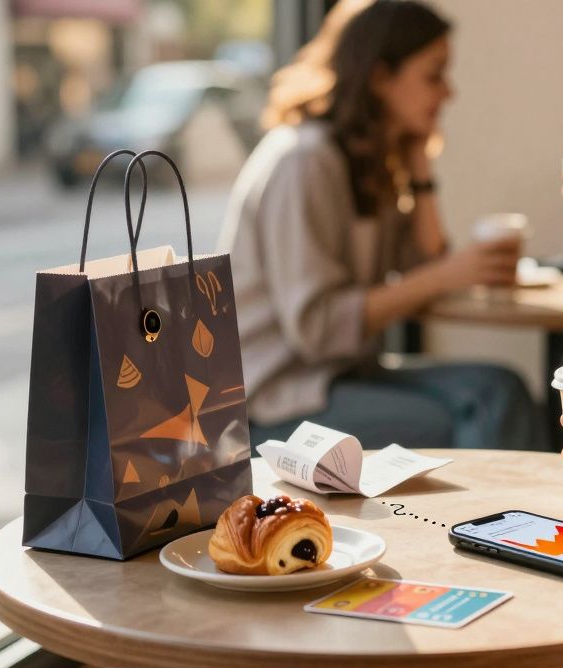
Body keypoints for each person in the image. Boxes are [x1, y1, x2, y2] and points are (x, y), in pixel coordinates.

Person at [218, 0, 543, 452]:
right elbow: (316, 329)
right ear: (380, 78)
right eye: (434, 75)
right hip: (276, 401)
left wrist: (419, 164)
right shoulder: (304, 162)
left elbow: (425, 261)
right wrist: (449, 274)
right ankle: (480, 523)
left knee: (501, 386)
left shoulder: (368, 160)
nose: (448, 92)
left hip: (342, 377)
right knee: (484, 408)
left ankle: (508, 520)